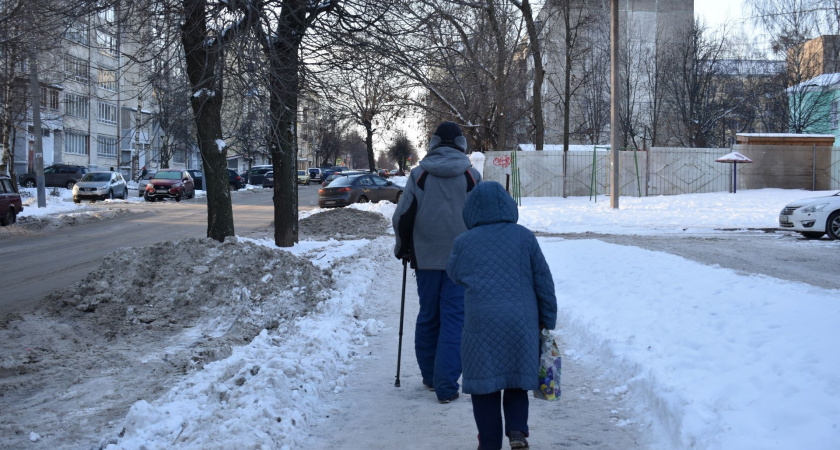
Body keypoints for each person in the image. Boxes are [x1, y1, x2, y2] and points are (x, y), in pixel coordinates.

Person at [446, 181, 557, 450]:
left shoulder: (464, 241)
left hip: (480, 324)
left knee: (484, 387)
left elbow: (454, 274)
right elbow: (543, 280)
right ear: (508, 205)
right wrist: (548, 318)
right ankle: (517, 431)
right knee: (517, 380)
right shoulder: (524, 237)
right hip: (522, 323)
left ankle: (489, 442)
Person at [392, 121, 482, 403]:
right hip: (462, 260)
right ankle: (446, 386)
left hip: (425, 258)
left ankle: (430, 378)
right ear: (461, 144)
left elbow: (402, 216)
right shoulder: (471, 175)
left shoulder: (419, 175)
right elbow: (481, 215)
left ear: (432, 143)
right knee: (455, 320)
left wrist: (403, 247)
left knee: (429, 316)